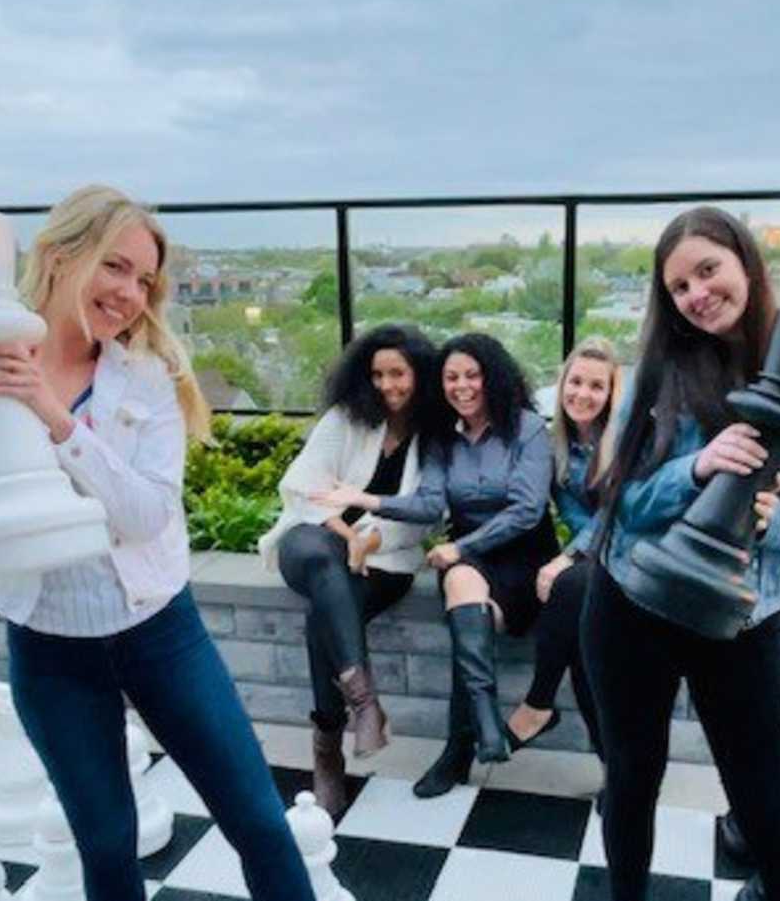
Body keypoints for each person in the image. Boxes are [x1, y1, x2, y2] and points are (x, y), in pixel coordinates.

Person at [0, 185, 316, 901]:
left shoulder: (147, 375)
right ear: (64, 254)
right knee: (106, 847)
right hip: (48, 645)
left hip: (160, 631)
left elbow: (144, 514)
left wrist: (52, 415)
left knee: (258, 820)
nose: (131, 293)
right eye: (116, 266)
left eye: (145, 280)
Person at [579, 206, 780, 901]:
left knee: (768, 807)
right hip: (631, 602)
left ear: (746, 262)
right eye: (678, 287)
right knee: (632, 778)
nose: (697, 294)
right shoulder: (656, 369)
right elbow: (620, 503)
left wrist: (774, 519)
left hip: (741, 616)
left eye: (708, 270)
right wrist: (697, 469)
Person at [315, 332, 557, 798]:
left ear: (493, 377)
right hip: (469, 556)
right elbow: (429, 503)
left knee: (462, 587)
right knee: (464, 594)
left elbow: (528, 510)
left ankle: (462, 746)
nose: (461, 386)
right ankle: (480, 732)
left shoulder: (527, 427)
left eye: (472, 375)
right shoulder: (443, 438)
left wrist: (462, 548)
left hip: (525, 557)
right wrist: (364, 499)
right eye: (451, 377)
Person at [257, 324, 439, 816]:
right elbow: (304, 487)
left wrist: (373, 538)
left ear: (419, 374)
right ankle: (364, 703)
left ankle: (327, 754)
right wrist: (348, 535)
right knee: (322, 561)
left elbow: (427, 511)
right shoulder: (346, 419)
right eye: (377, 374)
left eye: (398, 373)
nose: (387, 385)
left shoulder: (434, 435)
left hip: (384, 559)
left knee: (325, 614)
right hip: (315, 538)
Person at [504, 337, 623, 759]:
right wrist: (573, 556)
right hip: (600, 561)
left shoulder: (628, 438)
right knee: (582, 643)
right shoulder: (558, 448)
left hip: (642, 551)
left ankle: (538, 703)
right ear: (562, 384)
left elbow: (623, 512)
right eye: (576, 382)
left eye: (596, 386)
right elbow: (576, 517)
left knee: (570, 587)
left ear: (612, 394)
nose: (583, 395)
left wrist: (566, 558)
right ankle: (615, 770)